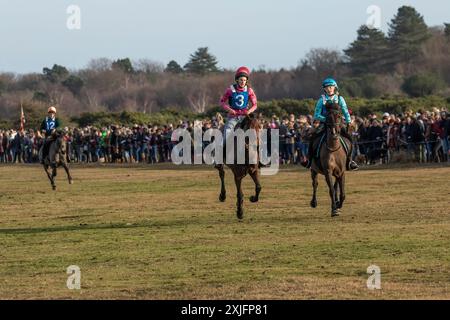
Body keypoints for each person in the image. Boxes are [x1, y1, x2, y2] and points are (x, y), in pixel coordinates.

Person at [301, 78, 359, 170]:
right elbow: (316, 115)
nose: (329, 89)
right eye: (327, 87)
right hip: (325, 124)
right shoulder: (321, 100)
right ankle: (309, 161)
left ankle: (350, 161)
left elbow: (345, 111)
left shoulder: (340, 99)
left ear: (334, 88)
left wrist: (348, 121)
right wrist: (326, 119)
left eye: (331, 87)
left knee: (349, 139)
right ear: (324, 89)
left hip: (338, 124)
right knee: (313, 138)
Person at [220, 66, 258, 149]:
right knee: (226, 135)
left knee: (256, 131)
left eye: (244, 80)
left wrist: (249, 111)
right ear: (237, 80)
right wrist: (230, 110)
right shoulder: (230, 90)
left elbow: (255, 105)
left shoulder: (249, 90)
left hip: (245, 116)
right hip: (233, 117)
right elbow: (222, 102)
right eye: (241, 80)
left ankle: (261, 154)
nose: (243, 82)